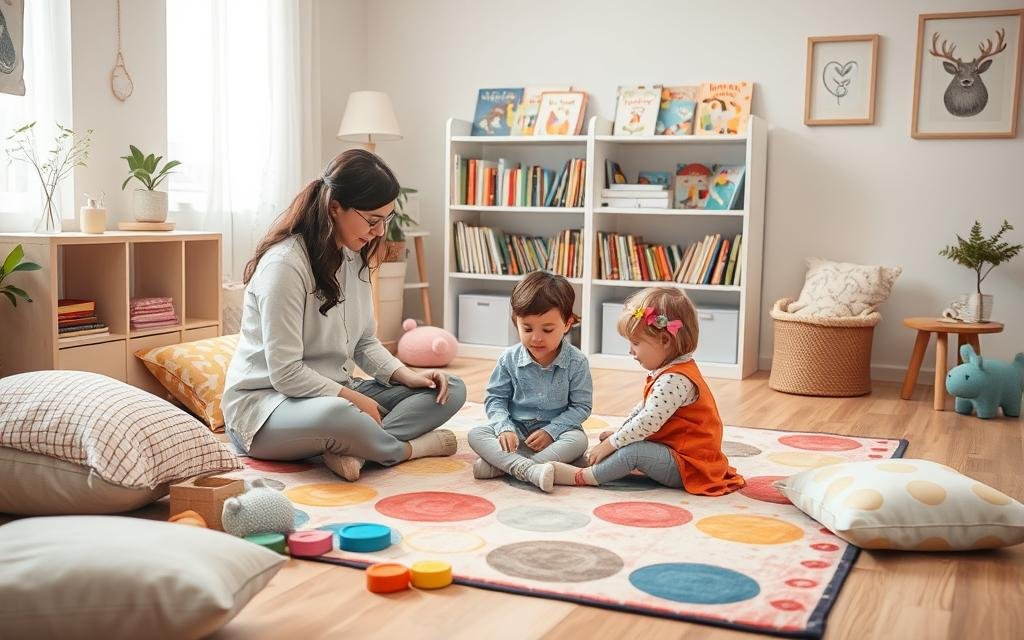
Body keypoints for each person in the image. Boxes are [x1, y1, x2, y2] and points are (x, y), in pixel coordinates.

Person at [221, 149, 466, 481]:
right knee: (341, 414)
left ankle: (356, 449)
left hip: (335, 391)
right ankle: (404, 449)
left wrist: (404, 374)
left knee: (449, 389)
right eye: (373, 220)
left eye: (386, 219)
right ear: (334, 207)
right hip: (267, 409)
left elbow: (364, 342)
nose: (380, 232)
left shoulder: (353, 257)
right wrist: (354, 401)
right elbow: (286, 374)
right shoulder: (284, 266)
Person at [551, 287, 745, 495]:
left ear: (665, 340)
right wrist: (618, 435)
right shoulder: (669, 371)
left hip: (688, 465)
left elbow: (647, 422)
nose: (630, 350)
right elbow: (643, 410)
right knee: (619, 439)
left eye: (635, 343)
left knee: (633, 451)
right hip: (676, 452)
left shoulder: (675, 378)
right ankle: (588, 462)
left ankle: (582, 477)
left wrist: (611, 445)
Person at [467, 271, 592, 493]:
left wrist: (552, 431)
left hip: (556, 435)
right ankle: (530, 469)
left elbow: (581, 407)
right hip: (516, 432)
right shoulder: (509, 358)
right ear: (516, 321)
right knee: (476, 434)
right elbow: (495, 399)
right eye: (527, 328)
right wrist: (505, 428)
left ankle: (505, 466)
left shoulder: (577, 361)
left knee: (579, 441)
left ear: (567, 323)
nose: (536, 338)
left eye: (547, 329)